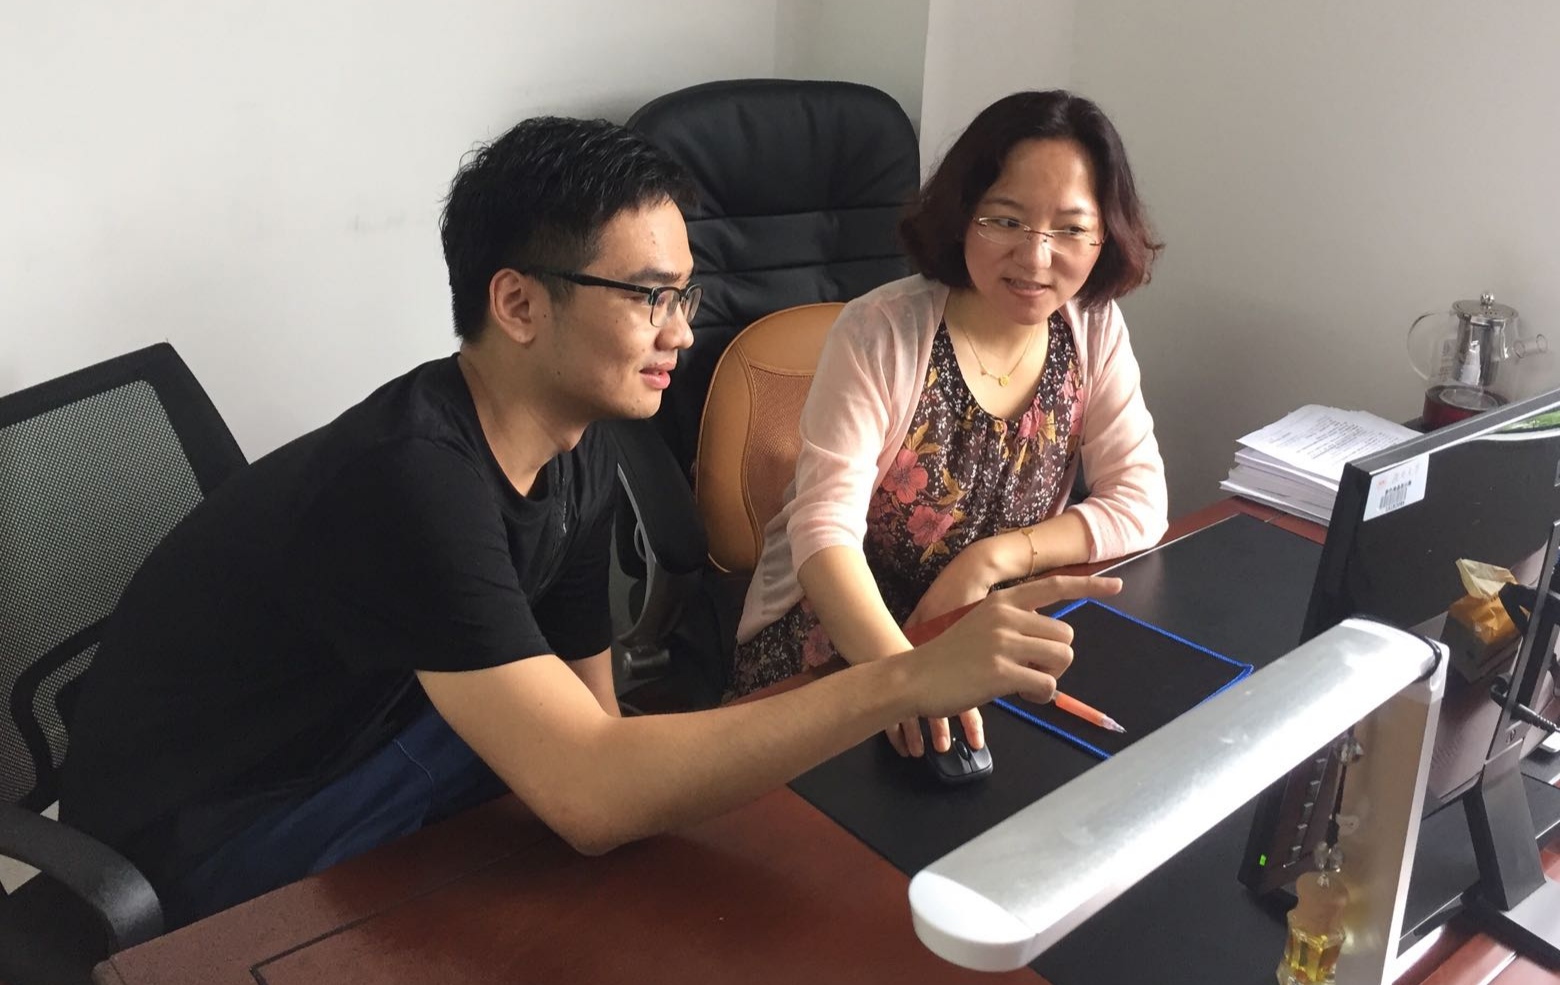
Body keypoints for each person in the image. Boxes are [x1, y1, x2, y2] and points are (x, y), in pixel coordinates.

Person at [58, 115, 1120, 928]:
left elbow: (597, 730)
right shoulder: (411, 482)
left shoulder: (578, 445)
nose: (682, 333)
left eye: (686, 296)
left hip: (374, 742)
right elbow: (592, 791)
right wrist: (901, 678)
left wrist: (609, 780)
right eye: (650, 296)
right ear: (519, 304)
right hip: (213, 838)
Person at [733, 90, 1169, 760]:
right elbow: (823, 532)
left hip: (983, 629)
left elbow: (1140, 501)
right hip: (844, 638)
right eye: (1006, 220)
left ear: (1103, 235)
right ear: (964, 215)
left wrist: (989, 561)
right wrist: (903, 680)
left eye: (1070, 228)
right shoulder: (879, 332)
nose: (1036, 258)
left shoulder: (1092, 326)